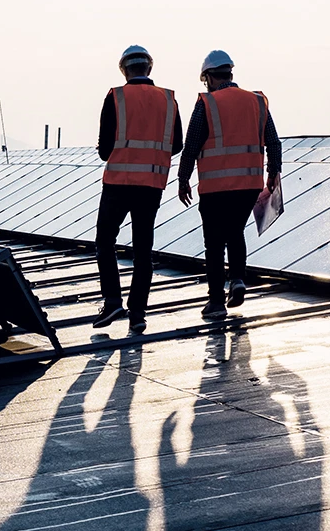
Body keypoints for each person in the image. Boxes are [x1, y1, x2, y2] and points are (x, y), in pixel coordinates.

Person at [176, 49, 282, 319]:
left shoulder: (207, 103)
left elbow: (191, 146)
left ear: (209, 77)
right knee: (235, 231)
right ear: (230, 72)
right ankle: (237, 279)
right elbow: (273, 141)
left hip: (215, 187)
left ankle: (215, 302)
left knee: (214, 242)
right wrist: (273, 172)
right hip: (248, 185)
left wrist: (183, 178)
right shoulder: (257, 102)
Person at [94, 44, 182, 336]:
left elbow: (105, 150)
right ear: (149, 68)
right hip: (151, 185)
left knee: (105, 240)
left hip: (118, 183)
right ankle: (138, 314)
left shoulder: (116, 97)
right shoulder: (169, 100)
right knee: (143, 249)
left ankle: (112, 300)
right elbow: (177, 145)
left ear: (124, 69)